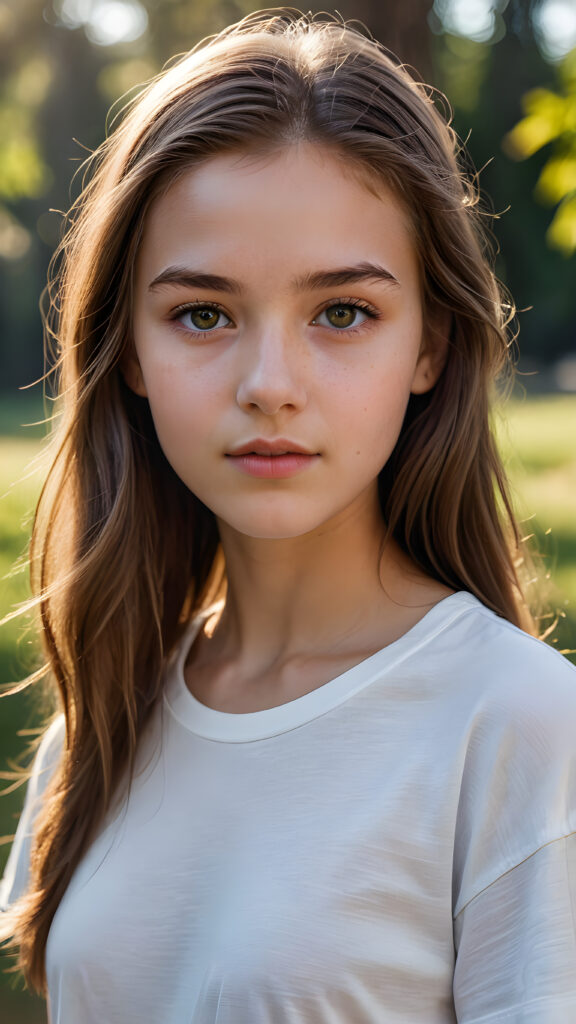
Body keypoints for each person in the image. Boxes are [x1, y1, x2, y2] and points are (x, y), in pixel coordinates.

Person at [1, 8, 575, 1022]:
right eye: (203, 314)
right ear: (128, 351)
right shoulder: (107, 716)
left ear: (430, 345)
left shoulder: (519, 726)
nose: (270, 383)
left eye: (343, 312)